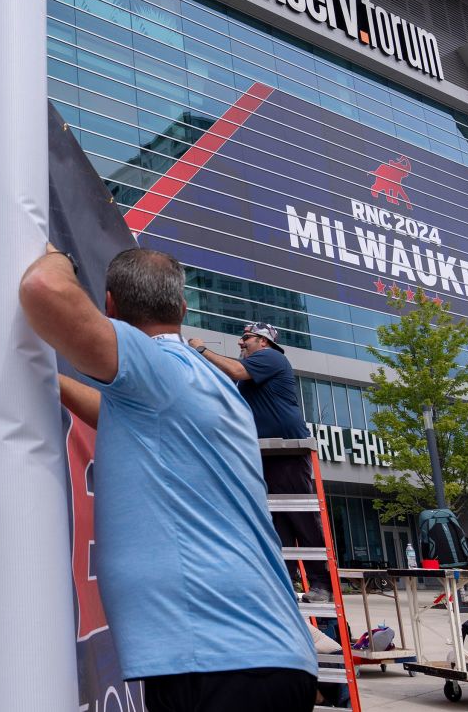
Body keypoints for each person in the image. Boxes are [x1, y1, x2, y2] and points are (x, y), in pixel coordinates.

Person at [20, 246, 316, 712]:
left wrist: (59, 258)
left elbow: (44, 290)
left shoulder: (157, 367)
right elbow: (121, 416)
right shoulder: (198, 381)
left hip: (220, 664)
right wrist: (50, 382)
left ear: (111, 306)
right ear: (182, 309)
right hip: (247, 658)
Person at [188, 324, 331, 602]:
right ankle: (284, 581)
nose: (241, 343)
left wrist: (202, 349)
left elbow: (235, 370)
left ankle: (321, 582)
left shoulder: (270, 358)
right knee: (278, 522)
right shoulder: (250, 373)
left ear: (263, 341)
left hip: (286, 449)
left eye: (246, 338)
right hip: (263, 452)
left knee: (301, 517)